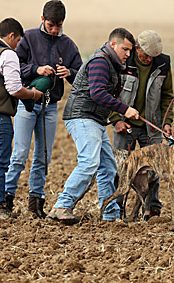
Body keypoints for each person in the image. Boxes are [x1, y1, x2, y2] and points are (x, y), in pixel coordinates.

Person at [47, 28, 140, 224]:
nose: (128, 54)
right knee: (89, 161)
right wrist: (125, 109)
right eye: (125, 49)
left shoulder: (110, 63)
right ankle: (62, 205)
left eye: (130, 51)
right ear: (113, 45)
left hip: (95, 119)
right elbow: (97, 93)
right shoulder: (100, 61)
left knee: (108, 167)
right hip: (82, 117)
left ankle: (110, 214)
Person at [4, 0, 83, 218]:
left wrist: (70, 73)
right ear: (42, 20)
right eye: (51, 25)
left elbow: (81, 72)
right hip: (27, 104)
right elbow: (15, 66)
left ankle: (35, 202)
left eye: (59, 25)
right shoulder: (28, 38)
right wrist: (36, 69)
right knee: (19, 154)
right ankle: (6, 197)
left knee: (43, 157)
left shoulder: (68, 45)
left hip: (50, 107)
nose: (55, 29)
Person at [0, 18, 43, 220]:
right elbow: (13, 88)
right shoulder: (7, 54)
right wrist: (32, 95)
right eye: (18, 40)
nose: (18, 44)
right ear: (11, 35)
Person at [109, 30, 174, 219]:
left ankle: (151, 209)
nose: (149, 60)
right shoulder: (123, 61)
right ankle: (117, 209)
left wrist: (167, 122)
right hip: (125, 125)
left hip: (151, 126)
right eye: (146, 55)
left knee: (154, 170)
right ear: (137, 49)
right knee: (121, 169)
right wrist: (116, 119)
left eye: (153, 57)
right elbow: (110, 92)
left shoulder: (163, 63)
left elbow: (167, 96)